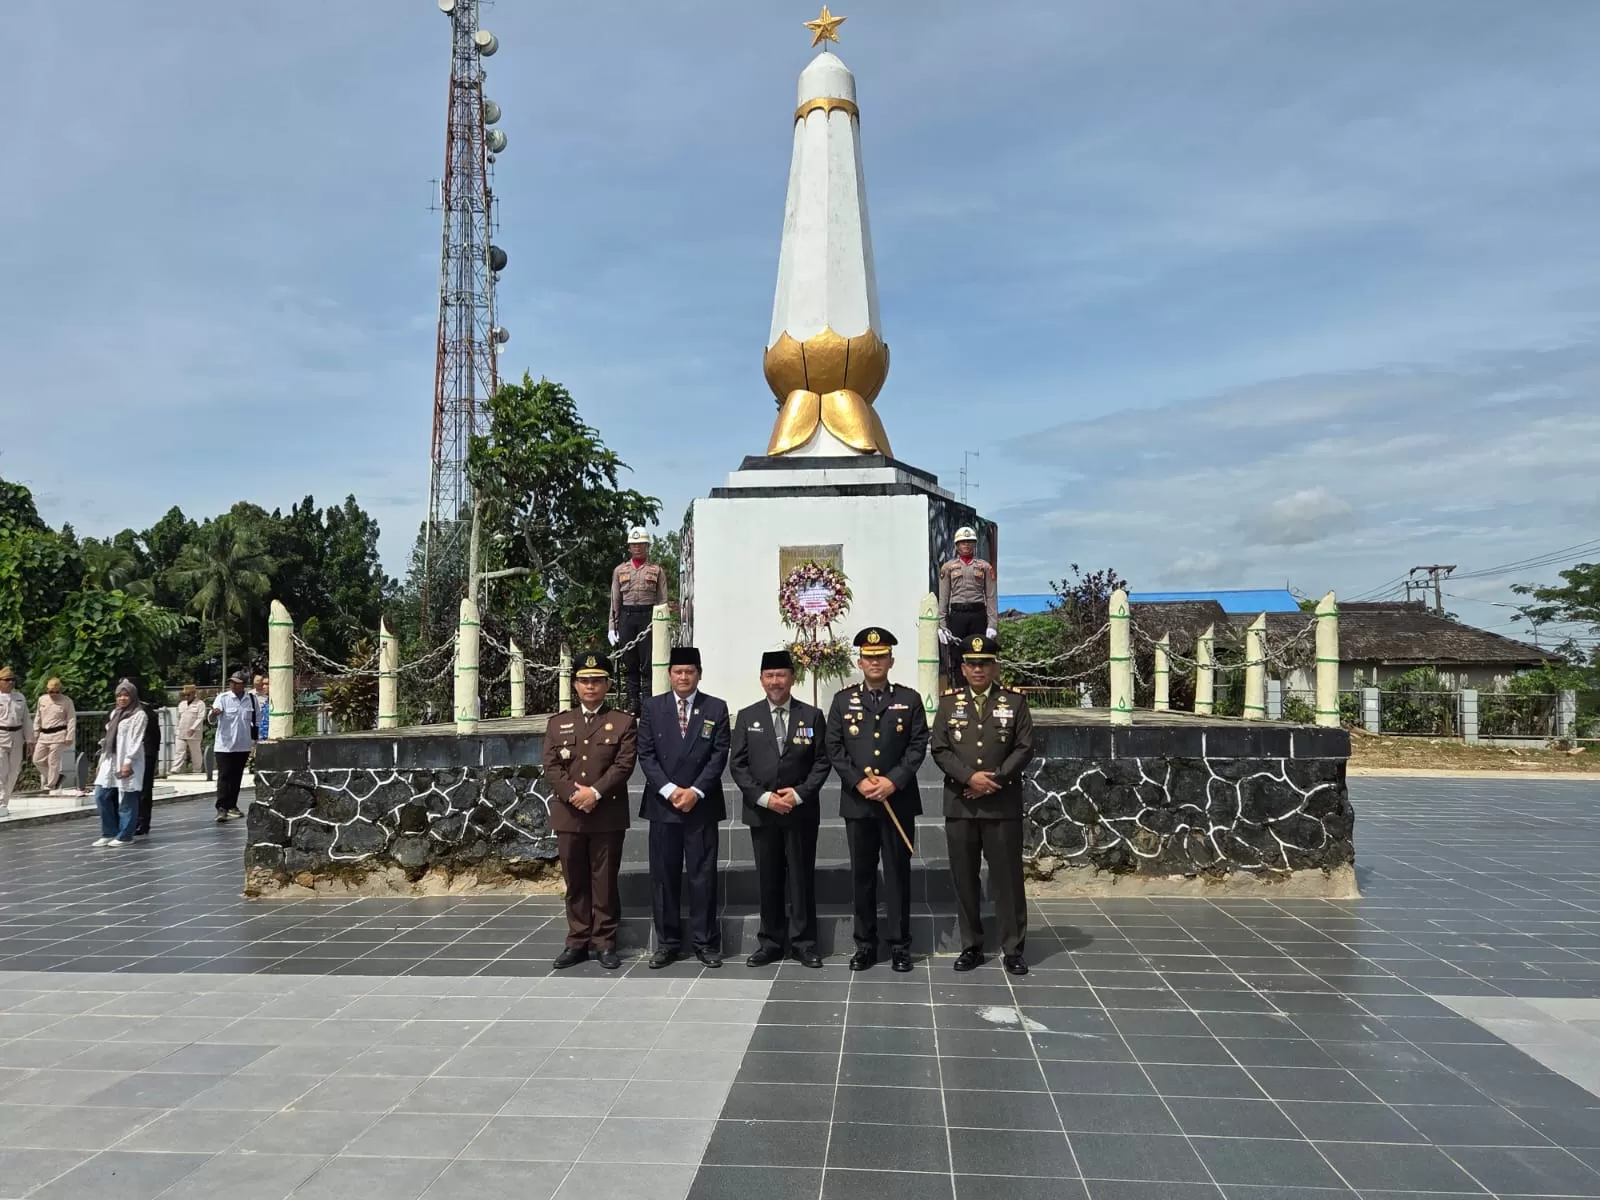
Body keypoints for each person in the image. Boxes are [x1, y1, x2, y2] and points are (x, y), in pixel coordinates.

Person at [930, 634, 1037, 976]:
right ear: (963, 668)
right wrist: (969, 779)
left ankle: (1013, 948)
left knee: (1007, 879)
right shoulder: (948, 703)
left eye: (985, 663)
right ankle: (971, 945)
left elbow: (1024, 747)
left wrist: (995, 779)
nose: (978, 669)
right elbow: (940, 748)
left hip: (1001, 804)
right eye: (972, 664)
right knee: (965, 878)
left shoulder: (1015, 702)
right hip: (961, 804)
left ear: (995, 666)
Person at [825, 627, 929, 973]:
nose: (874, 662)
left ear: (891, 661)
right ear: (860, 661)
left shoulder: (909, 700)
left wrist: (891, 781)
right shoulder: (842, 700)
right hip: (859, 802)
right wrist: (859, 782)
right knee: (863, 875)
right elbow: (834, 748)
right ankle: (865, 945)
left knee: (898, 874)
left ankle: (900, 945)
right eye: (869, 657)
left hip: (897, 801)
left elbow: (917, 747)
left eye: (880, 657)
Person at [729, 649, 831, 968]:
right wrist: (766, 798)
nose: (776, 682)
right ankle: (771, 942)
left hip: (800, 810)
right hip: (762, 811)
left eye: (782, 675)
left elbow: (821, 761)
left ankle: (804, 943)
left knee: (801, 878)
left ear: (792, 678)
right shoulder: (747, 716)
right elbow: (739, 765)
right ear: (761, 680)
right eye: (770, 676)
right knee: (768, 878)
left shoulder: (811, 716)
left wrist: (798, 795)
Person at [542, 651, 638, 971]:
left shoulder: (623, 722)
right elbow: (552, 766)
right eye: (584, 681)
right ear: (575, 685)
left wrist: (595, 792)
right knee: (576, 880)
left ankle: (605, 941)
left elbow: (624, 765)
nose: (590, 687)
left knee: (605, 880)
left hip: (606, 812)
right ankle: (577, 940)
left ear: (608, 684)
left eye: (597, 681)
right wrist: (574, 794)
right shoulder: (558, 723)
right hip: (570, 814)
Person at [637, 646, 729, 968]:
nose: (684, 676)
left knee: (703, 876)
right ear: (669, 674)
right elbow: (645, 754)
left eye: (690, 671)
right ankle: (668, 942)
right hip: (664, 806)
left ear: (699, 674)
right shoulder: (652, 707)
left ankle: (705, 942)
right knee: (664, 877)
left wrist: (696, 791)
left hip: (701, 806)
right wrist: (671, 789)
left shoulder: (716, 708)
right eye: (678, 671)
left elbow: (719, 755)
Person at [608, 527, 668, 716]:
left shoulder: (656, 570)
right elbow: (614, 600)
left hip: (648, 616)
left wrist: (662, 624)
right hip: (627, 615)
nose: (638, 548)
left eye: (641, 544)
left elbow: (662, 600)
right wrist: (612, 626)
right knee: (630, 661)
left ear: (647, 546)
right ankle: (633, 701)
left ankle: (649, 701)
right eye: (634, 545)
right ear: (629, 547)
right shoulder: (620, 570)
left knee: (648, 661)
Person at [91, 680, 148, 847]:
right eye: (119, 695)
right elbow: (110, 737)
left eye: (126, 695)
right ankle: (109, 831)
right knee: (101, 794)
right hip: (111, 758)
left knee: (127, 797)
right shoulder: (115, 713)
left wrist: (128, 761)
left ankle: (125, 835)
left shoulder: (138, 715)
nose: (122, 698)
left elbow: (136, 740)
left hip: (128, 760)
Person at [937, 526, 997, 683]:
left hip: (978, 614)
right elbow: (943, 598)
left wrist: (992, 625)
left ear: (974, 544)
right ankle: (961, 691)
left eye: (969, 542)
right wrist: (942, 626)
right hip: (957, 615)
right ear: (957, 546)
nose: (966, 545)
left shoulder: (984, 567)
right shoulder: (948, 568)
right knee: (958, 657)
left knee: (979, 653)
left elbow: (991, 597)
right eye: (962, 542)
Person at [208, 671, 257, 822]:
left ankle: (232, 805)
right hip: (225, 745)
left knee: (236, 777)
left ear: (244, 685)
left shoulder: (251, 699)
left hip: (243, 745)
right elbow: (211, 718)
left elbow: (257, 720)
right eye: (232, 682)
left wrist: (257, 741)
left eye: (237, 683)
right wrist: (214, 714)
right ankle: (221, 807)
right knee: (224, 776)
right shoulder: (223, 698)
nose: (233, 685)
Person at [31, 678, 76, 792]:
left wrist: (70, 735)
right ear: (47, 690)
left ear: (60, 690)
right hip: (44, 734)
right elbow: (38, 717)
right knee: (37, 760)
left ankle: (51, 784)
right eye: (51, 692)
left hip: (59, 734)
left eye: (57, 691)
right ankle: (57, 778)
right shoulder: (42, 700)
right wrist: (35, 733)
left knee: (53, 760)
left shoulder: (67, 701)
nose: (54, 694)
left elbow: (71, 719)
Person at [0, 667, 33, 819]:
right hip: (1, 735)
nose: (10, 682)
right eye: (7, 680)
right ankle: (0, 802)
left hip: (17, 735)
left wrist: (30, 739)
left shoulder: (19, 697)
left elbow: (26, 719)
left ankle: (5, 802)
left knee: (14, 771)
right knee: (1, 771)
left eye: (12, 680)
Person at [134, 691, 162, 838]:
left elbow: (155, 736)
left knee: (144, 790)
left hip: (145, 754)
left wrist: (151, 754)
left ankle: (142, 822)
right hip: (125, 756)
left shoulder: (147, 712)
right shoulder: (117, 711)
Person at [172, 684, 206, 775]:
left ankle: (197, 769)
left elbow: (201, 717)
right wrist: (177, 729)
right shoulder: (181, 704)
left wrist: (193, 728)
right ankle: (176, 768)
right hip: (182, 730)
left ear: (193, 694)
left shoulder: (200, 704)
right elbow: (179, 717)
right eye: (185, 695)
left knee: (195, 751)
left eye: (188, 694)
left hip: (194, 731)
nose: (186, 697)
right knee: (179, 750)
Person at [254, 676, 271, 741]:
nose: (263, 687)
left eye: (267, 684)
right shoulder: (267, 701)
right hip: (262, 736)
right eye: (263, 684)